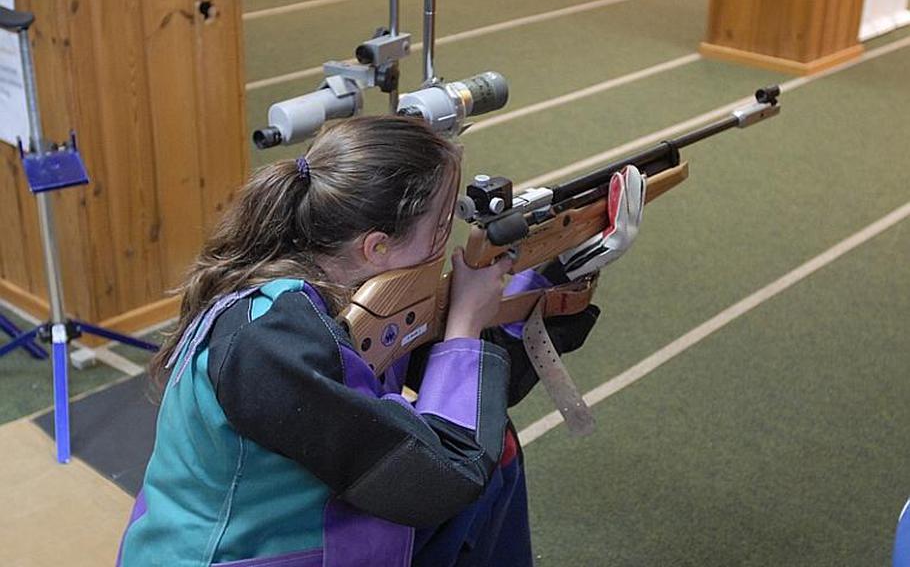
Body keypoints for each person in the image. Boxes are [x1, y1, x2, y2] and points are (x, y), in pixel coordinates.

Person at [116, 115, 644, 567]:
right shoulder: (272, 341)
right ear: (377, 247)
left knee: (497, 452)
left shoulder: (317, 289)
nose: (448, 248)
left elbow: (472, 407)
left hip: (303, 530)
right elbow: (437, 482)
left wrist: (553, 274)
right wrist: (464, 323)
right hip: (240, 555)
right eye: (440, 229)